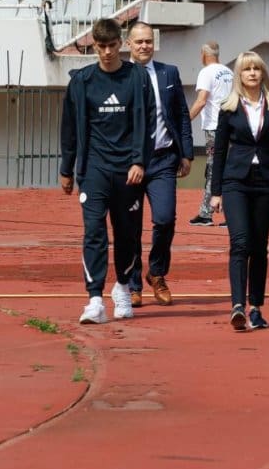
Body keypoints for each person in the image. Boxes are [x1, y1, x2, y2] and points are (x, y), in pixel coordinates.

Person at [60, 18, 154, 324]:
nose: (107, 52)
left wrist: (140, 161)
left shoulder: (137, 78)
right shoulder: (82, 81)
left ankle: (124, 287)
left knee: (127, 233)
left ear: (121, 44)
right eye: (101, 47)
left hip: (128, 169)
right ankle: (95, 298)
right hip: (94, 169)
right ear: (94, 46)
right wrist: (67, 168)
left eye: (112, 46)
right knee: (94, 231)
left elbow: (147, 121)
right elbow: (70, 127)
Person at [210, 52, 269, 331]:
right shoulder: (229, 107)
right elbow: (219, 151)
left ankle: (255, 307)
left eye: (257, 68)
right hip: (236, 181)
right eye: (247, 70)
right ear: (240, 75)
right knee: (241, 242)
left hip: (265, 180)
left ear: (263, 73)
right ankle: (237, 306)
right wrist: (216, 191)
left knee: (259, 247)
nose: (253, 73)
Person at [124, 22, 193, 309]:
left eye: (148, 41)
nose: (144, 46)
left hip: (164, 158)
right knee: (130, 226)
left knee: (165, 219)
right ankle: (134, 284)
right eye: (139, 42)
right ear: (129, 43)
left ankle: (157, 272)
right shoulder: (119, 76)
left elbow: (181, 113)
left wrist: (187, 153)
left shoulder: (169, 72)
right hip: (128, 163)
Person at [188, 41, 233, 226]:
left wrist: (184, 121)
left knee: (213, 168)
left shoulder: (206, 72)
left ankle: (206, 213)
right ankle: (229, 211)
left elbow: (201, 101)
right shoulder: (228, 72)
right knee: (226, 168)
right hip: (230, 125)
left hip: (214, 127)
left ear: (203, 54)